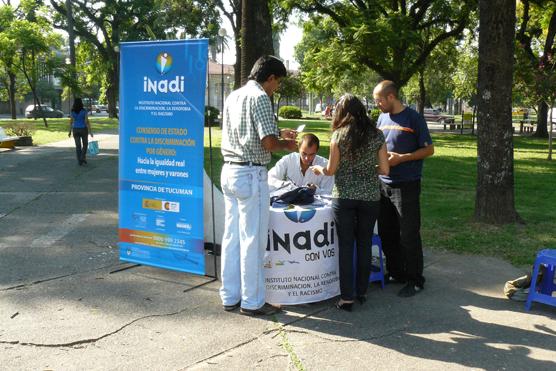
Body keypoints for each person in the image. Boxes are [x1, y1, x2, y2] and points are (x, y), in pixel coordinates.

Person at [220, 55, 298, 316]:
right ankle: (252, 301)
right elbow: (267, 143)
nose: (276, 88)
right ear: (271, 78)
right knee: (252, 240)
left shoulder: (234, 96)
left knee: (231, 237)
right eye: (278, 83)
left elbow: (251, 133)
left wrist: (278, 134)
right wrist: (287, 145)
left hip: (230, 170)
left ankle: (230, 295)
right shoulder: (261, 97)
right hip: (251, 173)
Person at [311, 94, 389, 311]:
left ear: (341, 112)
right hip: (370, 197)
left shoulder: (338, 135)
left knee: (346, 246)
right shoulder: (377, 135)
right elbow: (384, 169)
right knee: (364, 243)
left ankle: (346, 298)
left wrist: (320, 169)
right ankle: (362, 291)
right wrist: (366, 170)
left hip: (343, 196)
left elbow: (331, 170)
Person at [372, 80, 434, 298]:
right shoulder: (381, 117)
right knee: (387, 233)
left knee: (408, 233)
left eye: (379, 100)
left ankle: (415, 279)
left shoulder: (414, 118)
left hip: (406, 184)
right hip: (383, 184)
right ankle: (396, 272)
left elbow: (429, 150)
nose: (376, 104)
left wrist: (403, 159)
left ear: (391, 97)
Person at [268, 133, 334, 196]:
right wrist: (287, 185)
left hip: (315, 204)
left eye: (311, 154)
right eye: (304, 153)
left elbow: (329, 192)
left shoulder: (325, 165)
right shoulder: (288, 159)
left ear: (317, 151)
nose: (307, 158)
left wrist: (315, 190)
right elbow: (269, 178)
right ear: (298, 148)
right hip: (289, 202)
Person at [68, 98, 93, 166]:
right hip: (83, 129)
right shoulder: (84, 111)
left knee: (78, 146)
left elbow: (71, 122)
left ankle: (79, 160)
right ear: (81, 103)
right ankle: (82, 157)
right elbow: (86, 121)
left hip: (75, 129)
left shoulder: (72, 111)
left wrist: (70, 131)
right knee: (85, 144)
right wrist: (90, 131)